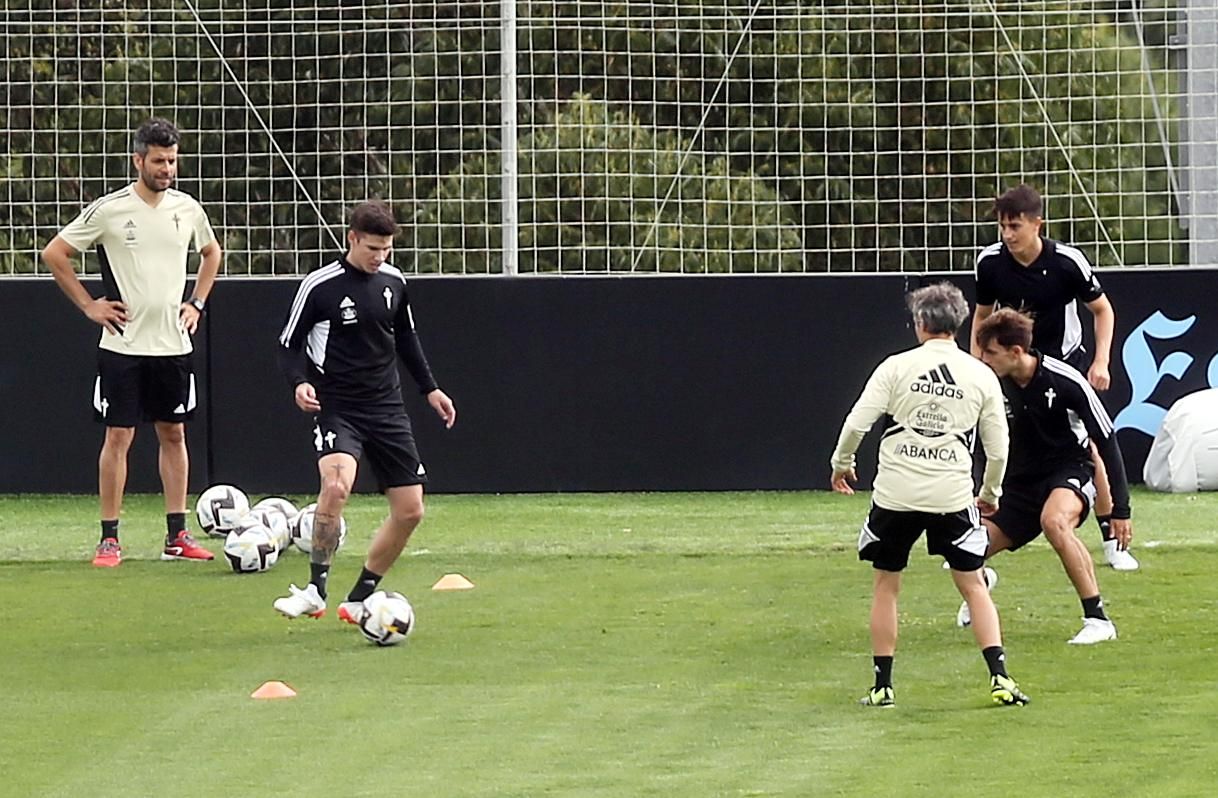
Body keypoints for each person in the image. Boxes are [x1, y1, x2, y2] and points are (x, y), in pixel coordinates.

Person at [830, 282, 1029, 707]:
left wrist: (842, 463)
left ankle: (882, 686)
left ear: (920, 322)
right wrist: (990, 492)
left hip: (895, 495)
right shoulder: (980, 375)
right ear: (958, 323)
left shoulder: (896, 366)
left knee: (887, 584)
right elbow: (999, 447)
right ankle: (1001, 679)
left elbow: (856, 423)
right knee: (973, 585)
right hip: (952, 496)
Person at [41, 117, 220, 567]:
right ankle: (109, 538)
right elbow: (55, 253)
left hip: (173, 346)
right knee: (119, 435)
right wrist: (89, 306)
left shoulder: (186, 208)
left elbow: (212, 252)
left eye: (173, 161)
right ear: (138, 160)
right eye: (159, 160)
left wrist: (196, 302)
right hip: (122, 346)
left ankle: (177, 534)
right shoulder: (110, 210)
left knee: (173, 433)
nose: (167, 169)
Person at [272, 200, 456, 623]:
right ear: (352, 238)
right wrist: (299, 382)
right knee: (336, 487)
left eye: (386, 249)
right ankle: (316, 590)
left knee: (411, 510)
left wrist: (430, 389)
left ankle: (359, 597)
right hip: (338, 405)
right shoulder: (320, 286)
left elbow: (406, 340)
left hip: (387, 407)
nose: (380, 257)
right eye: (372, 248)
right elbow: (287, 345)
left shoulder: (394, 282)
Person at [971, 184, 1138, 571]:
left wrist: (1101, 362)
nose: (1008, 235)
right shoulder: (990, 262)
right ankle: (984, 538)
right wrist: (976, 362)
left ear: (1037, 224)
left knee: (1087, 447)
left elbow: (1103, 311)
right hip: (1012, 368)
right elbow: (982, 315)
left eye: (1015, 226)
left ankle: (1113, 537)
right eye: (1002, 227)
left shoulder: (1066, 262)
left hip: (1063, 366)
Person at [965, 309, 1133, 645]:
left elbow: (1106, 439)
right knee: (965, 548)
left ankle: (1098, 620)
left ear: (1016, 352)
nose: (984, 361)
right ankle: (981, 581)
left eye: (991, 354)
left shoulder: (1066, 380)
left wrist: (1121, 509)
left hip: (1069, 470)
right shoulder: (987, 385)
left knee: (1054, 522)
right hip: (1017, 485)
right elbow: (976, 443)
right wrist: (981, 491)